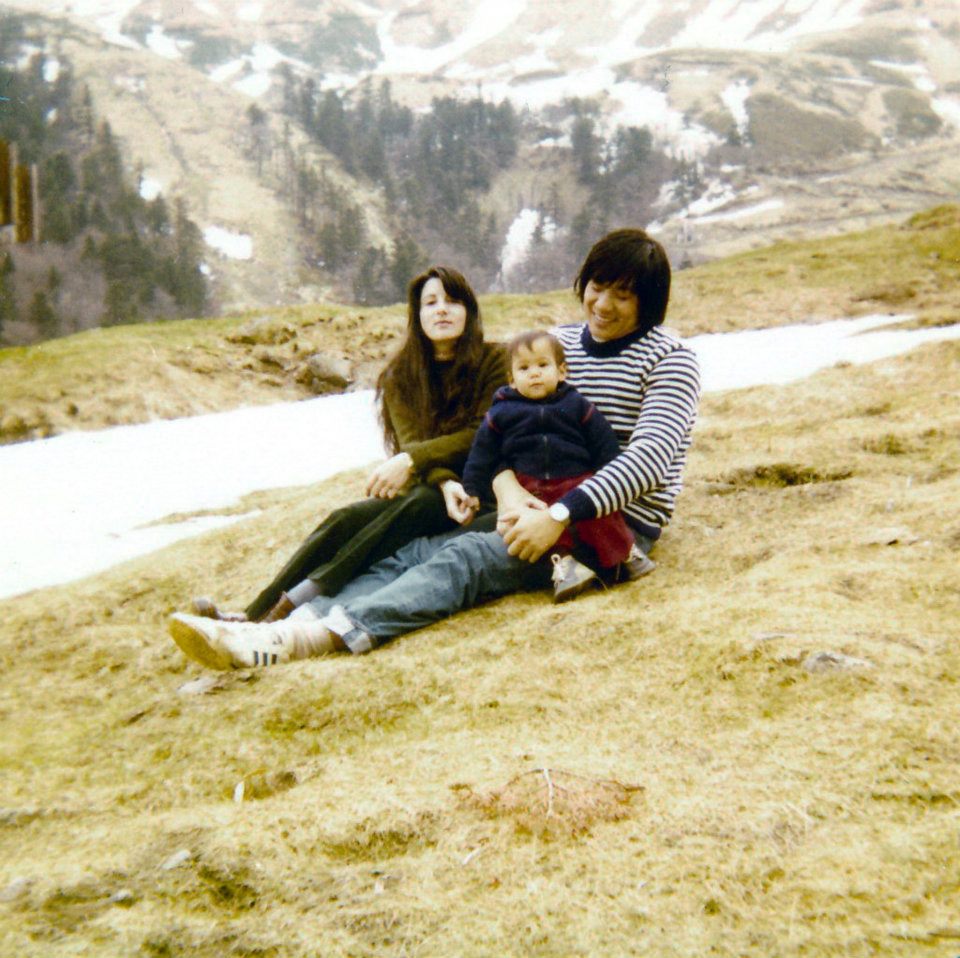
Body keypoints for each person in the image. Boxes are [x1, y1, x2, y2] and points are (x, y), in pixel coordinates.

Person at [168, 228, 701, 669]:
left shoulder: (671, 360)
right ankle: (282, 624)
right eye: (597, 286)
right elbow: (505, 428)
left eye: (623, 295)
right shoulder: (555, 348)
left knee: (465, 558)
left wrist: (559, 515)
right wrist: (508, 491)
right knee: (417, 549)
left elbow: (647, 461)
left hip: (612, 526)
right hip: (532, 504)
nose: (602, 304)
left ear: (648, 303)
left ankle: (316, 639)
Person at [186, 266, 506, 624]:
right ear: (417, 316)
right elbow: (412, 440)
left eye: (452, 300)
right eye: (430, 303)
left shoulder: (495, 361)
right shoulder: (400, 376)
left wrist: (414, 461)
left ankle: (289, 607)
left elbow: (481, 432)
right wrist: (443, 481)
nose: (441, 310)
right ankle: (251, 614)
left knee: (415, 502)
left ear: (469, 310)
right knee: (347, 518)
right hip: (433, 485)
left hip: (482, 488)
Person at [459, 329, 644, 602]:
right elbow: (482, 452)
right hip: (530, 486)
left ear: (561, 371)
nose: (534, 373)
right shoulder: (501, 412)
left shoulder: (576, 404)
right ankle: (564, 566)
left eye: (542, 365)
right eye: (524, 368)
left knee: (599, 515)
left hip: (576, 477)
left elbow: (602, 441)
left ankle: (625, 554)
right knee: (532, 521)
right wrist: (471, 488)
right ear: (511, 379)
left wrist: (611, 473)